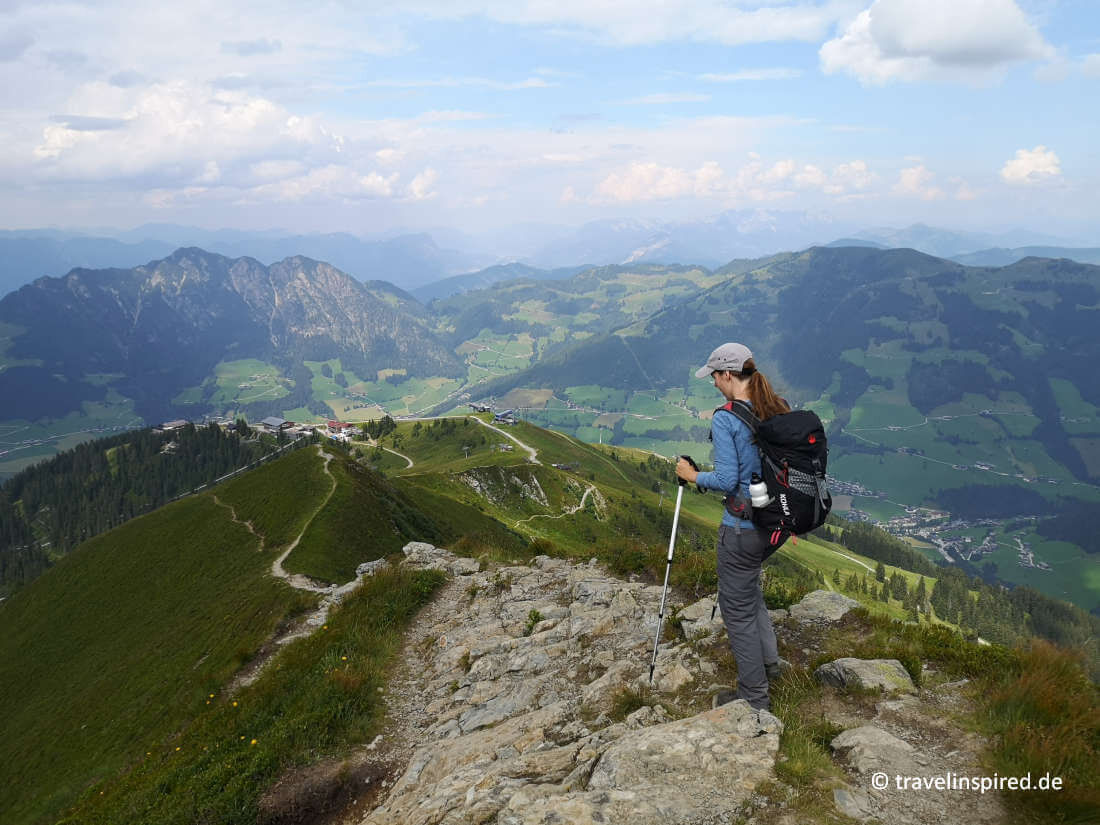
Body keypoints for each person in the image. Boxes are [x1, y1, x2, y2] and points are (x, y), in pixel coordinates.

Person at [676, 342, 789, 712]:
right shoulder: (776, 406)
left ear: (728, 374)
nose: (713, 383)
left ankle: (754, 701)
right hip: (775, 523)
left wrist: (692, 476)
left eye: (714, 376)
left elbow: (726, 479)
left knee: (737, 612)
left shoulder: (726, 418)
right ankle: (771, 667)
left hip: (741, 528)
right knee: (751, 594)